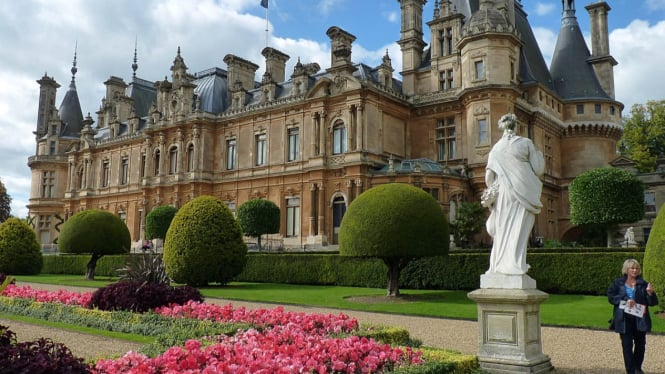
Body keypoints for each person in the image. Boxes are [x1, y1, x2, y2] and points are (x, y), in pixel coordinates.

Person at [482, 113, 544, 275]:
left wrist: (493, 193)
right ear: (516, 126)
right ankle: (515, 266)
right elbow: (538, 169)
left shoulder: (495, 149)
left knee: (502, 232)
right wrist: (540, 155)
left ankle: (498, 267)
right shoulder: (526, 143)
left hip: (503, 194)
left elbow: (488, 177)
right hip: (524, 191)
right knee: (519, 231)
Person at [607, 259, 658, 374]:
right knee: (627, 346)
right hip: (623, 319)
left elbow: (653, 302)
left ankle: (637, 368)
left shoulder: (644, 284)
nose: (635, 270)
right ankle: (630, 370)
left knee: (641, 345)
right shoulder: (617, 283)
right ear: (626, 269)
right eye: (632, 268)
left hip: (640, 319)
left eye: (637, 268)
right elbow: (611, 297)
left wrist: (650, 293)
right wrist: (624, 300)